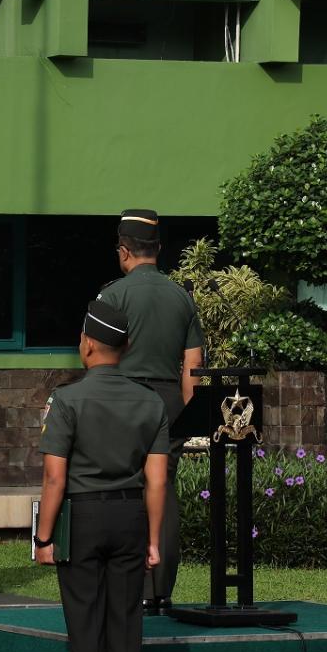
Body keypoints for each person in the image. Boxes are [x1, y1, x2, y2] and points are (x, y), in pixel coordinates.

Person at [34, 300, 169, 652]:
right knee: (125, 628)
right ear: (125, 348)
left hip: (84, 518)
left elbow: (54, 478)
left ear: (88, 344)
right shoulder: (150, 401)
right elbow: (157, 481)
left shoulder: (67, 400)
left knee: (85, 627)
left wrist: (43, 538)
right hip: (131, 516)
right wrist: (153, 540)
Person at [97, 209, 204, 616]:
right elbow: (193, 367)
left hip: (122, 398)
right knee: (163, 489)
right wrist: (189, 416)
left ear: (124, 251)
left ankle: (131, 585)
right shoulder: (181, 297)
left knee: (124, 490)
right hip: (169, 402)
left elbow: (96, 355)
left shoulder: (112, 296)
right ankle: (161, 589)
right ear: (157, 248)